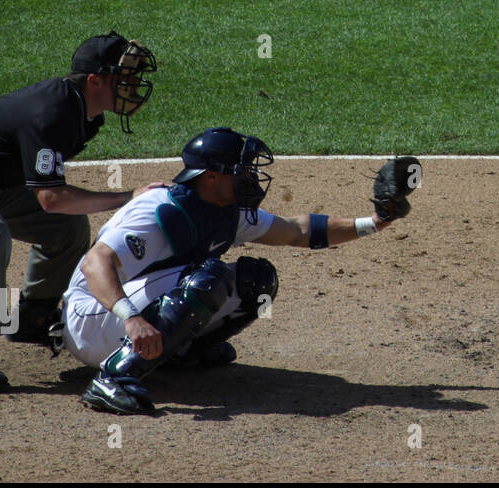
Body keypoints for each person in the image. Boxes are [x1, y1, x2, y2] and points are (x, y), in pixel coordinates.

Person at [62, 129, 417, 415]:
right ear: (212, 177)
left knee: (256, 280)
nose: (251, 178)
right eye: (242, 171)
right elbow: (95, 264)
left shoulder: (225, 210)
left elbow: (298, 230)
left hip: (127, 316)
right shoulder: (158, 209)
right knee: (207, 280)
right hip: (91, 319)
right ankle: (112, 379)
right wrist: (130, 319)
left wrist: (376, 221)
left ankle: (182, 352)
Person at [0, 31, 158, 393]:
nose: (134, 84)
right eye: (124, 77)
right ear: (94, 80)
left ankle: (34, 317)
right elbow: (51, 198)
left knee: (67, 226)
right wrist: (128, 195)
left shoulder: (81, 112)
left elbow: (52, 203)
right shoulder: (52, 112)